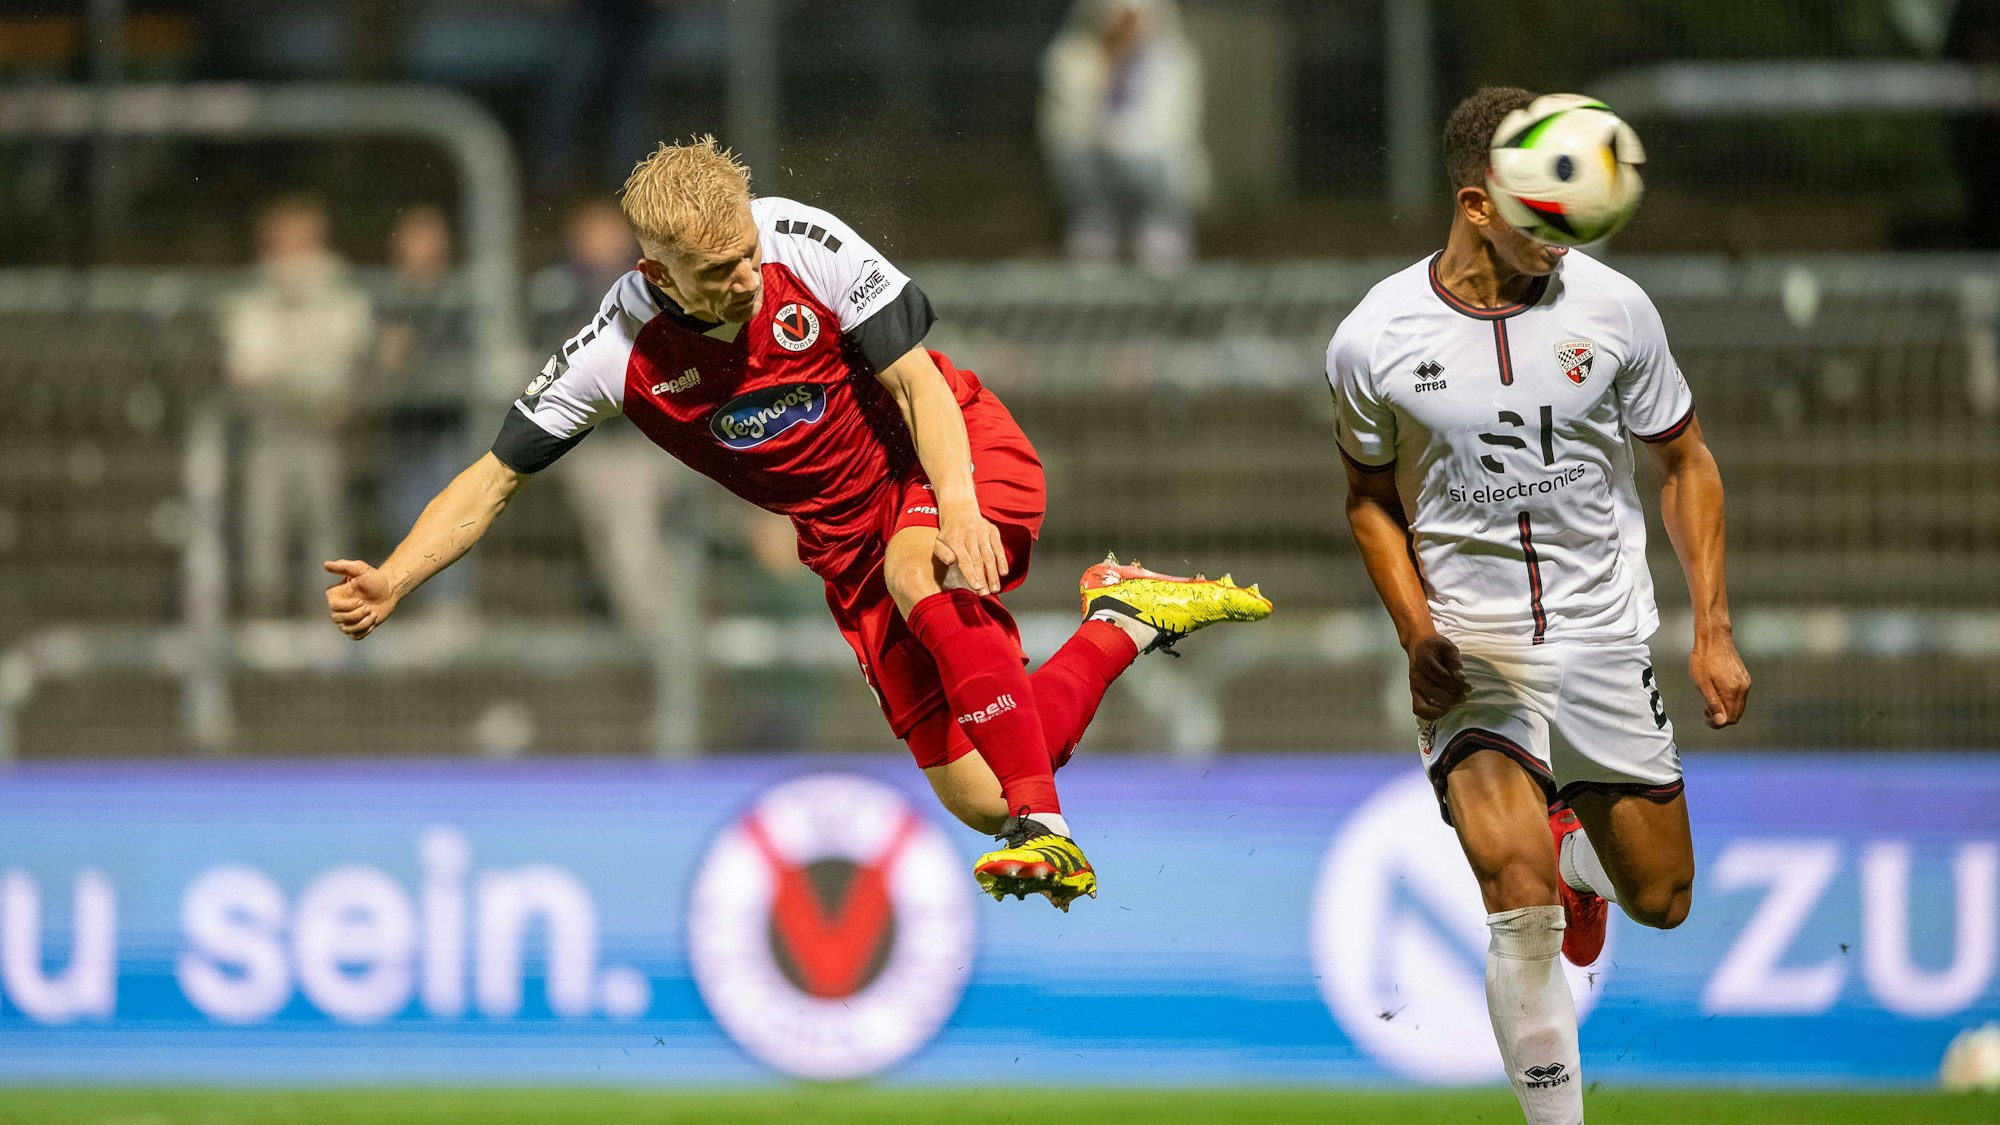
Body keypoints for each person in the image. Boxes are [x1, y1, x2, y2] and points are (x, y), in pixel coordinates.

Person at [325, 137, 1271, 909]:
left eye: (746, 252)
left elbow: (916, 380)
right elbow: (490, 481)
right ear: (658, 271)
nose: (745, 274)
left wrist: (962, 504)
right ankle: (1124, 621)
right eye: (717, 269)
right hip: (842, 547)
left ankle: (1049, 831)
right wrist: (395, 577)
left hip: (944, 450)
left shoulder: (799, 241)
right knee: (977, 795)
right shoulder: (613, 354)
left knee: (920, 576)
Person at [1325, 88, 1750, 1123]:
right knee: (1513, 900)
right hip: (1470, 652)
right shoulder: (1372, 337)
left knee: (1659, 899)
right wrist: (1415, 630)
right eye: (1537, 215)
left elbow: (1685, 463)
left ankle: (1577, 856)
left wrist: (1712, 627)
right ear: (1475, 203)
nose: (1563, 237)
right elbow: (1367, 502)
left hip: (1603, 637)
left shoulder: (1613, 309)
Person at [219, 195, 373, 616]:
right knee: (262, 524)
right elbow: (246, 365)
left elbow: (344, 348)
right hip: (267, 427)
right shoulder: (252, 294)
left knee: (324, 526)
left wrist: (290, 362)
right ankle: (264, 616)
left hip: (321, 424)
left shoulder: (339, 288)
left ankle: (325, 617)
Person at [1038, 0, 1209, 272]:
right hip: (1095, 184)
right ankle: (1095, 237)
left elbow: (1169, 134)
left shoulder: (1173, 61)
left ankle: (1159, 242)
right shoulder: (1072, 56)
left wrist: (1120, 136)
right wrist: (1107, 67)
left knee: (1160, 248)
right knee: (1092, 246)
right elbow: (1067, 127)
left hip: (1155, 184)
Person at [372, 205, 472, 614]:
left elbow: (462, 359)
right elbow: (376, 360)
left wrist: (417, 356)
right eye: (413, 238)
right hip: (404, 429)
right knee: (405, 517)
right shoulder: (389, 296)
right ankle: (418, 606)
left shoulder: (461, 295)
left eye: (428, 237)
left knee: (451, 519)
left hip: (448, 428)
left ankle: (450, 606)